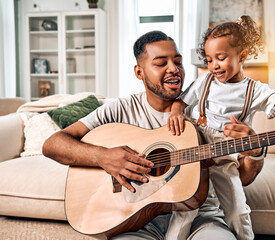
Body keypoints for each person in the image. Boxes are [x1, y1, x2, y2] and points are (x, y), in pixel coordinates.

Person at [42, 30, 262, 240]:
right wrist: (104, 157)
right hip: (134, 219)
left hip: (201, 217)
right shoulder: (121, 108)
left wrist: (255, 154)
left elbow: (242, 177)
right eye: (160, 63)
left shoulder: (213, 109)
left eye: (178, 61)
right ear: (139, 72)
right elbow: (53, 144)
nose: (174, 69)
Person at [167, 16, 275, 240]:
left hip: (226, 156)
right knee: (185, 211)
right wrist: (176, 112)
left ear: (242, 56)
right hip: (196, 151)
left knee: (238, 210)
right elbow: (181, 102)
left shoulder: (254, 90)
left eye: (221, 58)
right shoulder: (204, 82)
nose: (214, 65)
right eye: (209, 60)